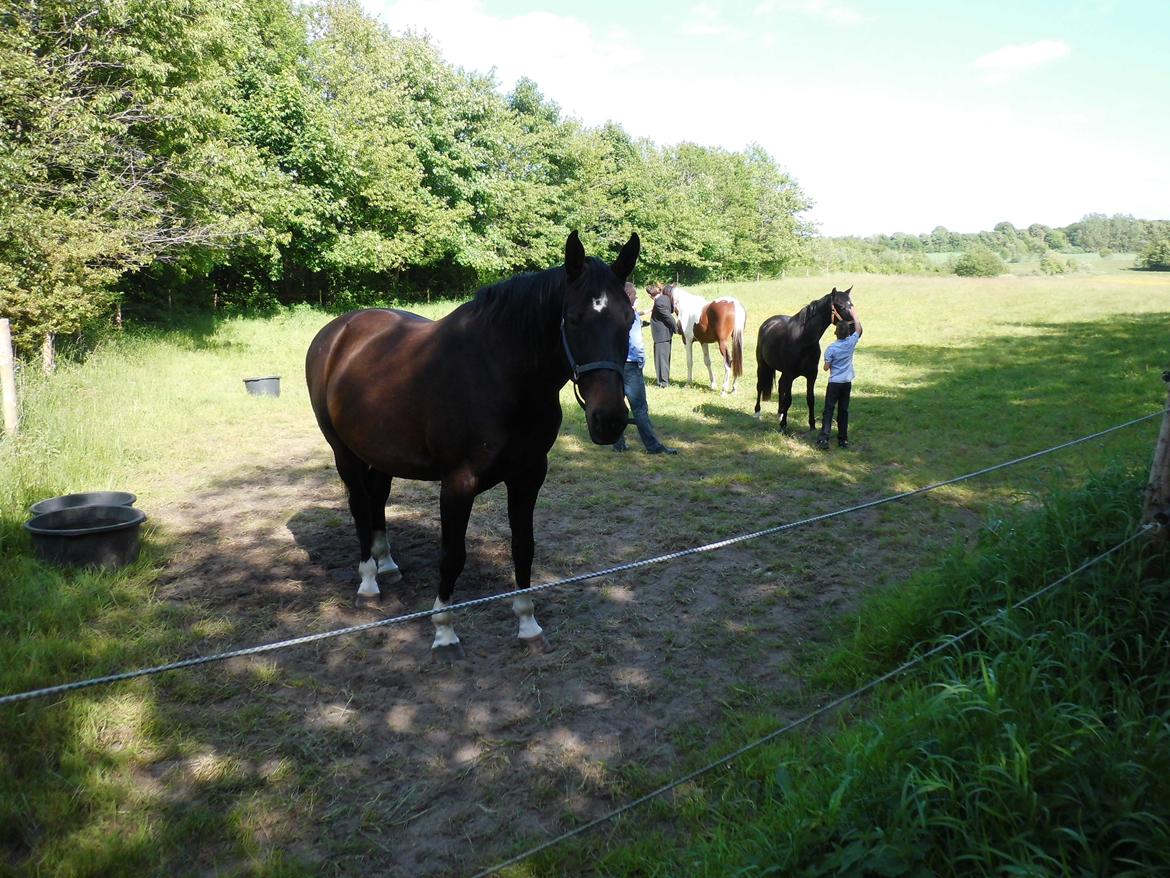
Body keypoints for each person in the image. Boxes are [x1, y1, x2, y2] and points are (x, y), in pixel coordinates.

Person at [613, 283, 678, 455]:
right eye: (634, 294)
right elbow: (636, 343)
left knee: (618, 405)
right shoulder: (631, 314)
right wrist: (640, 361)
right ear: (627, 295)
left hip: (615, 365)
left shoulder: (612, 313)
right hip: (631, 364)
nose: (636, 297)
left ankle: (618, 443)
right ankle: (653, 446)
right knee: (640, 408)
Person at [816, 305, 862, 450]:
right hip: (846, 382)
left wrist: (827, 363)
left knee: (829, 410)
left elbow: (826, 367)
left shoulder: (831, 349)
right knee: (843, 410)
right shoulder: (851, 343)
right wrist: (855, 316)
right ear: (848, 333)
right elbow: (858, 330)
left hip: (834, 383)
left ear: (835, 333)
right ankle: (843, 440)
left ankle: (824, 438)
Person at [649, 282, 678, 388]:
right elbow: (670, 310)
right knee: (665, 359)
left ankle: (663, 383)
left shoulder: (658, 303)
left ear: (649, 296)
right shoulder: (665, 298)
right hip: (666, 334)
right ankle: (665, 380)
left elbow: (668, 317)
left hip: (661, 335)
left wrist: (676, 328)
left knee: (661, 360)